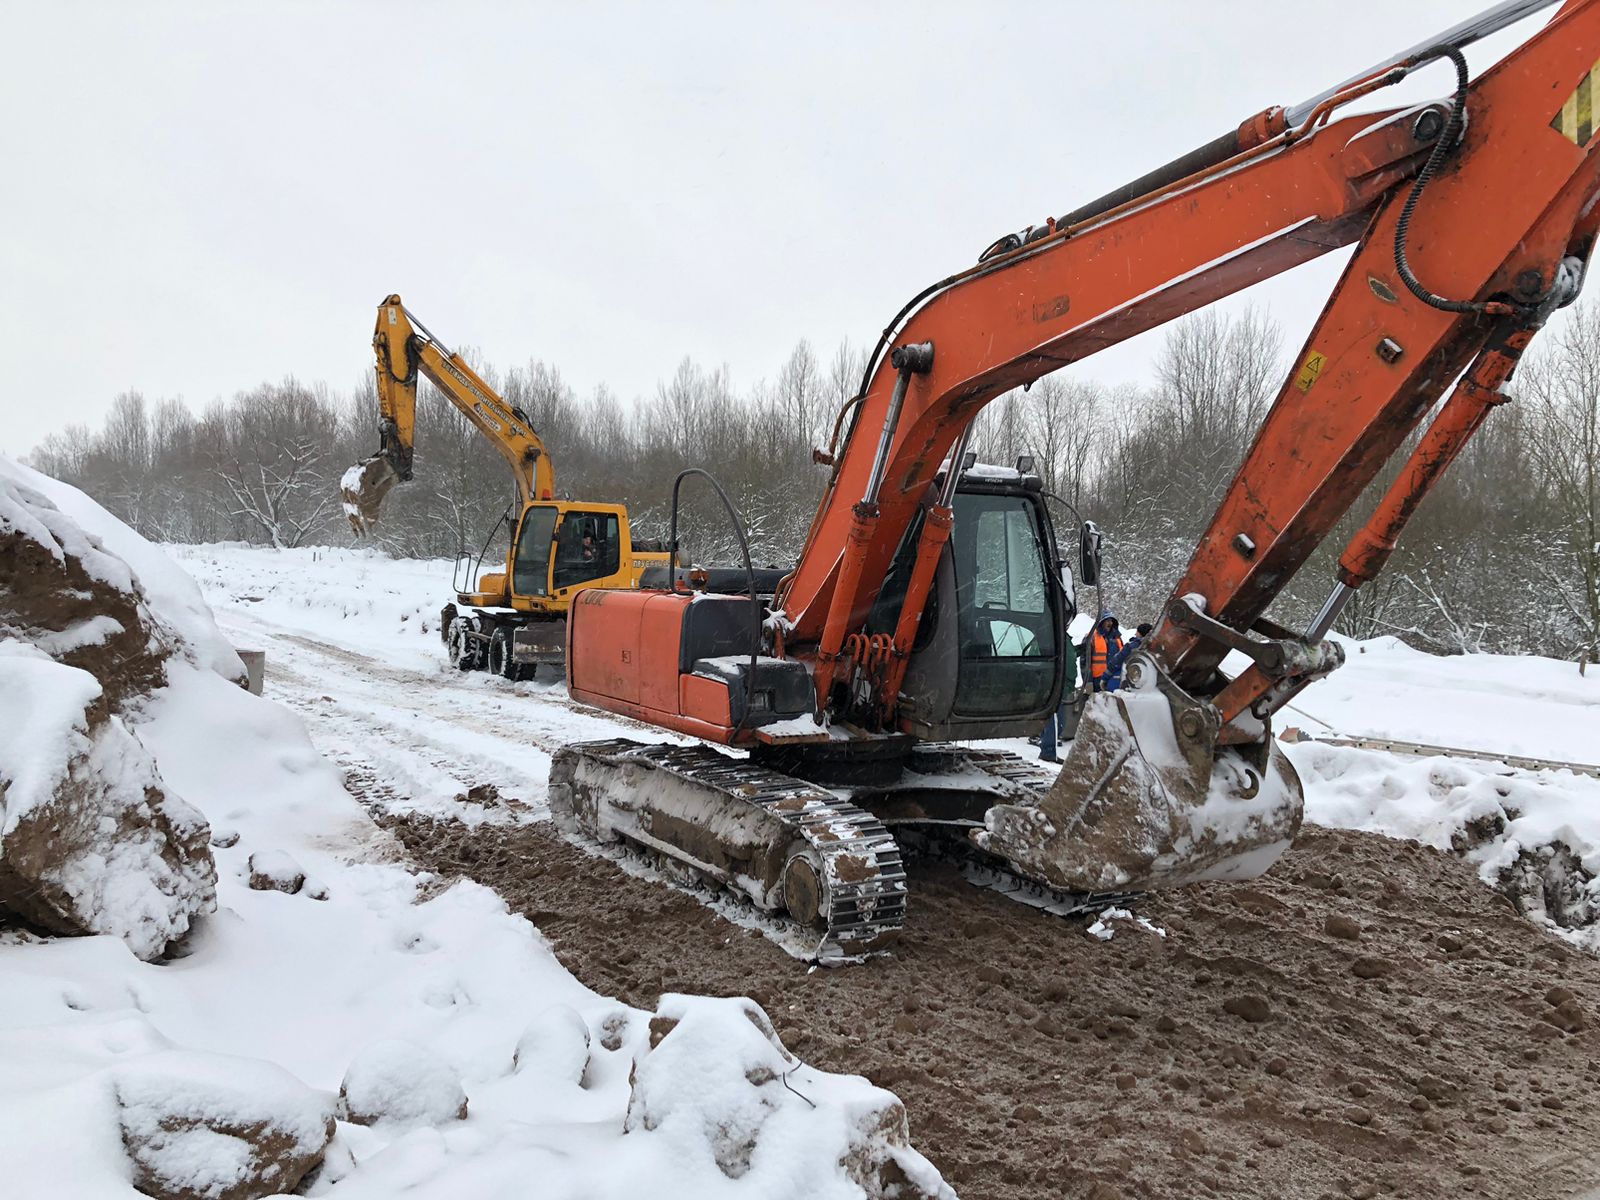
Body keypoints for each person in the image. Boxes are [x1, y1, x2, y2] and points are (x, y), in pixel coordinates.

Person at [1038, 635, 1080, 764]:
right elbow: (1067, 663)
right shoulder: (1059, 637)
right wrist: (1068, 682)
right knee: (1057, 720)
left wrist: (1079, 650)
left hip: (1056, 682)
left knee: (1054, 719)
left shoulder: (1058, 637)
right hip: (1058, 683)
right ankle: (1049, 750)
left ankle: (1047, 746)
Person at [1084, 611, 1125, 692]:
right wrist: (1088, 682)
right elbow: (1085, 662)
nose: (1110, 623)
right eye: (1107, 620)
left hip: (1115, 679)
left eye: (1111, 621)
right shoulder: (1091, 638)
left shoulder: (1117, 639)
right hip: (1097, 680)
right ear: (1101, 622)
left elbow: (1123, 658)